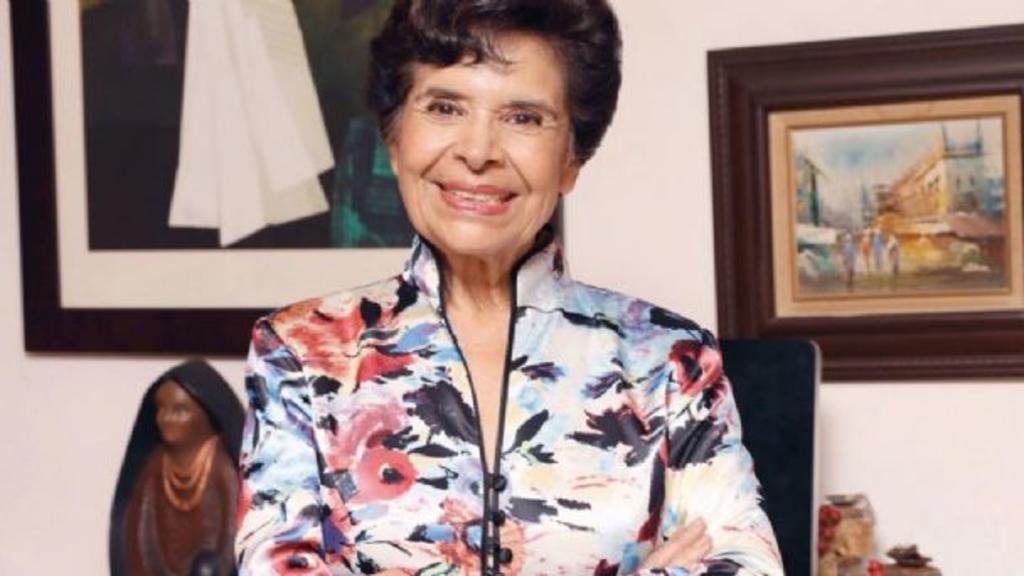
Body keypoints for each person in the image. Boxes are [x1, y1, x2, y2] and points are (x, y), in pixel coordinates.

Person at [235, 1, 782, 574]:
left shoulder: (669, 361)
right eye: (445, 107)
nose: (478, 152)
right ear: (394, 142)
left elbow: (746, 564)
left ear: (571, 160)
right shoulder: (300, 351)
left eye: (523, 117)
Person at [111, 360, 245, 576]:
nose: (166, 418)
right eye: (161, 408)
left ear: (209, 413)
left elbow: (234, 532)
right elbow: (138, 526)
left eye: (180, 410)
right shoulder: (156, 464)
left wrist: (220, 567)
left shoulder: (221, 465)